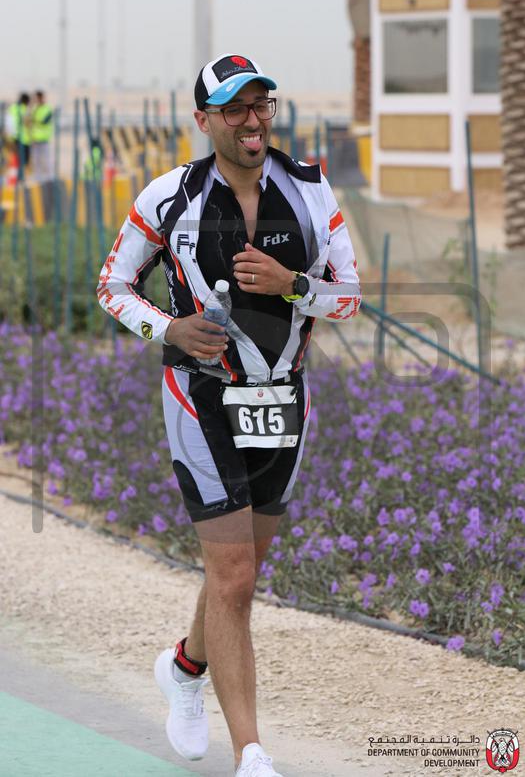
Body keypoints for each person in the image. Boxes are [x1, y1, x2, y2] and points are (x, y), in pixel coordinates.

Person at [97, 53, 361, 776]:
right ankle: (251, 753)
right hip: (200, 394)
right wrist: (169, 329)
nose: (253, 120)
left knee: (238, 572)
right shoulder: (167, 197)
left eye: (261, 104)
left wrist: (292, 284)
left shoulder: (310, 190)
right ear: (204, 120)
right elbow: (113, 286)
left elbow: (349, 297)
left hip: (284, 396)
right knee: (235, 572)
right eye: (236, 108)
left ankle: (185, 667)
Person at [31, 90, 54, 182]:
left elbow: (44, 121)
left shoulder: (47, 109)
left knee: (46, 159)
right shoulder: (34, 109)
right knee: (36, 160)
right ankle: (37, 177)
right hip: (35, 138)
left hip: (44, 138)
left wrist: (34, 120)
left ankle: (50, 177)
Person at [5, 93, 31, 169]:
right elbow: (27, 123)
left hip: (13, 137)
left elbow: (7, 122)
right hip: (24, 139)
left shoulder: (12, 107)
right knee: (23, 160)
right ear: (27, 101)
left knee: (15, 158)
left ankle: (15, 172)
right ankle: (20, 173)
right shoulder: (25, 109)